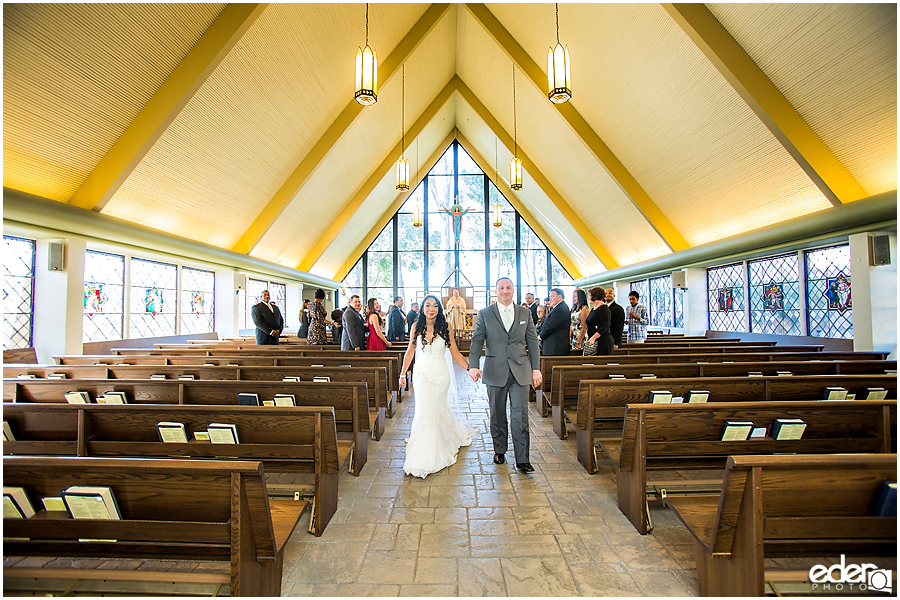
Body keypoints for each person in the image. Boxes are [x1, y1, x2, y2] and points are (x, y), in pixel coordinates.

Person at [468, 277, 541, 473]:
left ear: (513, 290)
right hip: (495, 370)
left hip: (520, 370)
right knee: (497, 413)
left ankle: (523, 459)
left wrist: (536, 368)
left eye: (508, 287)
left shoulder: (525, 312)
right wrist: (473, 366)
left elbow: (532, 342)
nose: (505, 291)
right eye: (501, 288)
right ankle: (499, 449)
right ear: (496, 291)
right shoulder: (485, 313)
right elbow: (477, 340)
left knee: (520, 415)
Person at [399, 296, 474, 478]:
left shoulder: (445, 326)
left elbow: (454, 352)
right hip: (422, 375)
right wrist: (402, 373)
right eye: (427, 306)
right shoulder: (416, 327)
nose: (430, 309)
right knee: (424, 411)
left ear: (439, 309)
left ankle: (438, 445)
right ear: (422, 309)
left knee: (436, 409)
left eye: (434, 306)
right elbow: (410, 350)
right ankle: (423, 452)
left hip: (441, 375)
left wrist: (469, 369)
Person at [538, 288, 571, 356]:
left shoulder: (560, 309)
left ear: (559, 296)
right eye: (550, 296)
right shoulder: (557, 308)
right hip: (552, 346)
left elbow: (551, 326)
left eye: (552, 296)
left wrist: (541, 336)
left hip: (556, 347)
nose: (550, 299)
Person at [584, 287, 615, 356]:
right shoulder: (593, 309)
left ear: (595, 297)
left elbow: (605, 326)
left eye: (590, 296)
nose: (588, 298)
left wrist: (593, 338)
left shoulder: (604, 309)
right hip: (593, 341)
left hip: (603, 341)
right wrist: (588, 338)